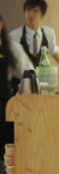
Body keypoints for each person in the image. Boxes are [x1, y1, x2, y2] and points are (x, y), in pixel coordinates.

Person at [9, 0, 59, 73]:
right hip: (22, 77)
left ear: (42, 15)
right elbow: (10, 61)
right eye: (28, 10)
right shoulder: (14, 35)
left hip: (42, 76)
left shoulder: (49, 33)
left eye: (35, 11)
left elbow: (54, 51)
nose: (30, 14)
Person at [0, 15, 32, 147]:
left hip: (3, 104)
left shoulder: (12, 47)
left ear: (1, 25)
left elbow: (29, 72)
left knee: (5, 147)